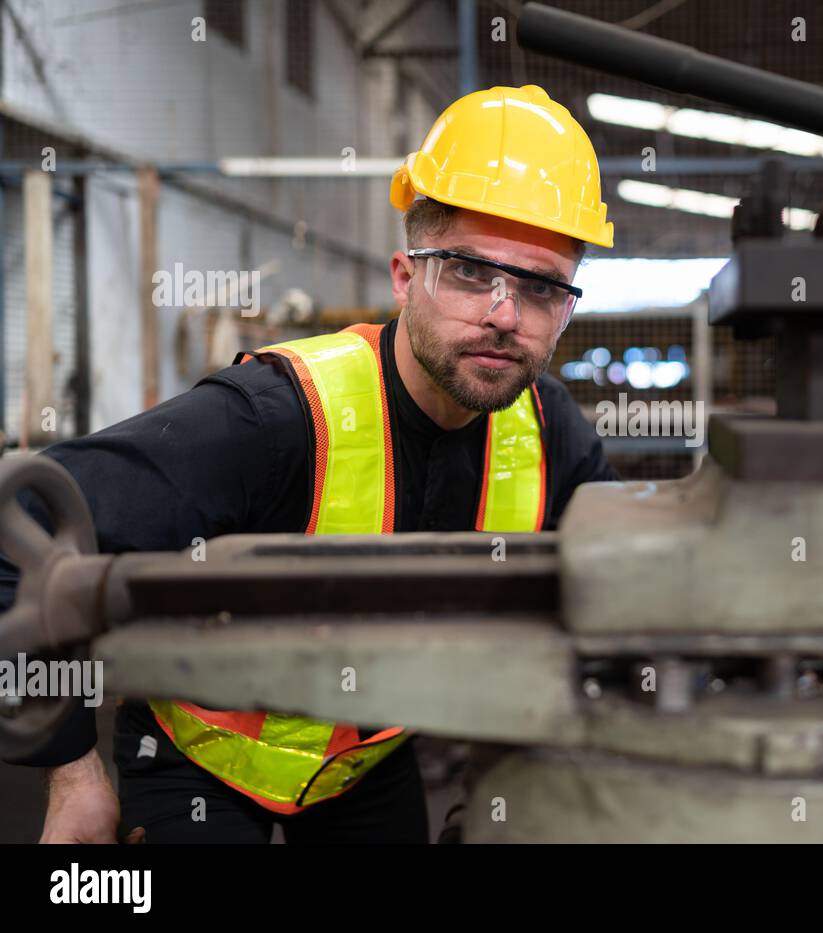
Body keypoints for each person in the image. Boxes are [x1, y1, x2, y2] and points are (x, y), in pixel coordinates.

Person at [4, 84, 618, 843]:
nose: (503, 314)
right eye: (467, 271)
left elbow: (636, 595)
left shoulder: (550, 435)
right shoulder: (273, 418)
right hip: (200, 767)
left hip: (365, 765)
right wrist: (72, 775)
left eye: (540, 287)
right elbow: (18, 535)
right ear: (404, 275)